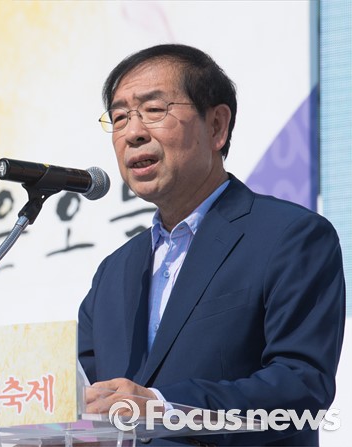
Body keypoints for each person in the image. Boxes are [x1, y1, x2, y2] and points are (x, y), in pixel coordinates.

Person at [78, 44, 345, 446]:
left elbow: (301, 387)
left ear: (217, 126)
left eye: (154, 110)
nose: (133, 133)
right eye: (119, 117)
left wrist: (165, 408)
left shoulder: (291, 237)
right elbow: (83, 397)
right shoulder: (113, 273)